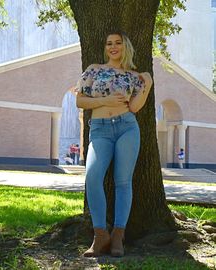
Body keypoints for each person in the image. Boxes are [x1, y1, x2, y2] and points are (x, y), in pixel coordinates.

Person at [76, 31, 153, 257]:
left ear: (125, 46)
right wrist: (105, 101)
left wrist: (147, 83)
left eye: (118, 43)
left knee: (123, 181)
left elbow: (136, 107)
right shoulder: (94, 69)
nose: (113, 47)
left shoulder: (133, 76)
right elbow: (80, 101)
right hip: (100, 129)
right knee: (92, 176)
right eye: (109, 43)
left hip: (126, 127)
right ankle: (100, 235)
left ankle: (118, 235)